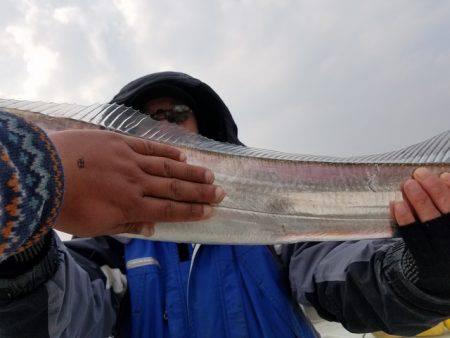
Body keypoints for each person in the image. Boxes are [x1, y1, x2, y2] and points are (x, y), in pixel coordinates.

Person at [0, 71, 449, 338]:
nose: (159, 127)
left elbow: (349, 283)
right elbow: (62, 323)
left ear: (207, 130)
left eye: (175, 116)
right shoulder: (108, 251)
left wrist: (425, 275)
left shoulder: (277, 235)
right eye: (141, 121)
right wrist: (22, 233)